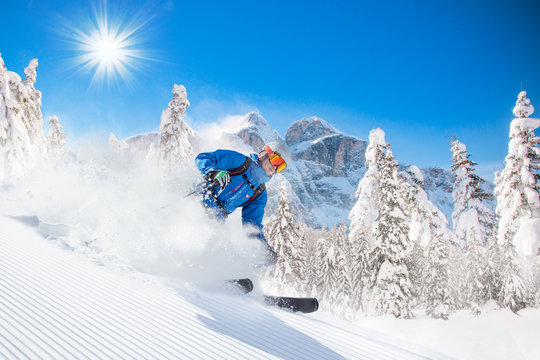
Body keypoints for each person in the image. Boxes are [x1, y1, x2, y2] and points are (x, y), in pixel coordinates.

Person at [195, 142, 292, 265]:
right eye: (276, 161)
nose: (275, 168)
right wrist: (211, 172)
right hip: (197, 200)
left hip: (215, 218)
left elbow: (251, 226)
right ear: (264, 154)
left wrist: (263, 248)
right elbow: (203, 157)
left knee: (220, 244)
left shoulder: (259, 193)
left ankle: (209, 272)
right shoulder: (240, 162)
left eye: (281, 166)